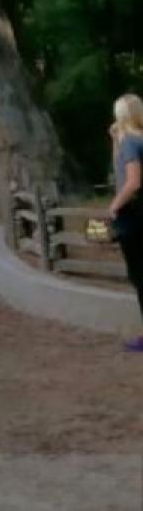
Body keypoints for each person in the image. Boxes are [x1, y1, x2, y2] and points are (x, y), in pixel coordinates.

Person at [108, 93, 143, 352]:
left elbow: (133, 181)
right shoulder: (136, 140)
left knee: (140, 276)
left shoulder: (129, 142)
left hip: (133, 216)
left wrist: (114, 205)